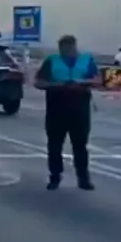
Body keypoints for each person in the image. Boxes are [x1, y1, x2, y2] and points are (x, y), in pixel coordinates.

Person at [33, 35, 99, 190]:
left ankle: (83, 178)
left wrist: (82, 83)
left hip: (79, 108)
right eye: (63, 48)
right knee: (55, 145)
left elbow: (97, 80)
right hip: (57, 107)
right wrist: (56, 85)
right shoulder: (52, 61)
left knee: (80, 145)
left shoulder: (86, 60)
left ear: (74, 46)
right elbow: (38, 82)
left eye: (69, 48)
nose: (66, 51)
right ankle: (55, 176)